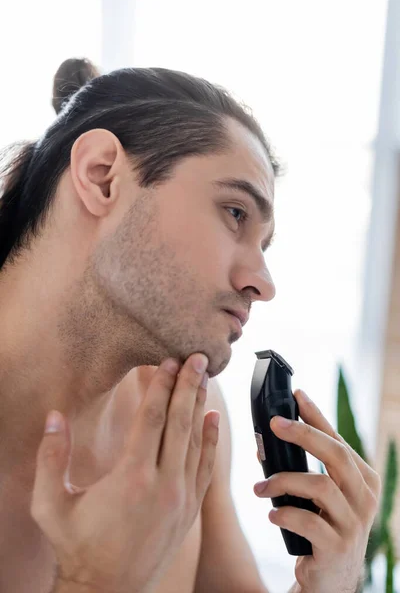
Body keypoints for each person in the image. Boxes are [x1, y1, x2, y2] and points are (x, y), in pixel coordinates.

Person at [0, 59, 380, 593]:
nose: (263, 282)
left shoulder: (188, 413)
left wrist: (328, 584)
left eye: (264, 245)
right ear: (101, 176)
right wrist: (94, 582)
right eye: (235, 213)